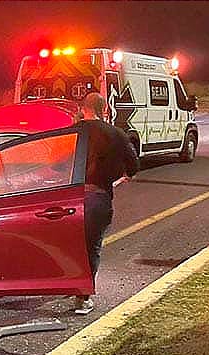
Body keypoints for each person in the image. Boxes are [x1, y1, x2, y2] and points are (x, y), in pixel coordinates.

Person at [74, 93, 140, 314]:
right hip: (98, 197)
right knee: (91, 247)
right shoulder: (116, 134)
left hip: (70, 199)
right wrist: (125, 175)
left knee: (70, 245)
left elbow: (56, 163)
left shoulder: (73, 131)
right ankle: (82, 298)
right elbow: (133, 164)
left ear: (84, 109)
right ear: (105, 109)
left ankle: (68, 283)